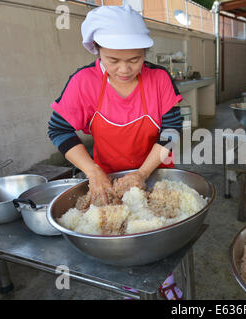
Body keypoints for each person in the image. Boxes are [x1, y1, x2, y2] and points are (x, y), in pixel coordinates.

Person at [47, 5, 183, 300]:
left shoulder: (159, 79)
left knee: (161, 229)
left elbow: (172, 130)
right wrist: (93, 171)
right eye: (113, 60)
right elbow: (59, 130)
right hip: (107, 174)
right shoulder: (84, 82)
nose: (125, 69)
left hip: (157, 169)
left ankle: (167, 279)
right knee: (120, 233)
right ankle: (130, 281)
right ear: (96, 50)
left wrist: (143, 173)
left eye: (135, 59)